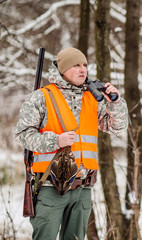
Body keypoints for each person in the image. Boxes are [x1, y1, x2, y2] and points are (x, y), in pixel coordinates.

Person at [15, 47, 128, 240]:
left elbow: (117, 128)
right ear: (63, 69)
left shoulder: (93, 99)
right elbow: (22, 135)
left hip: (83, 189)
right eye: (76, 65)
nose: (82, 69)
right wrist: (56, 140)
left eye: (84, 65)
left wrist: (114, 104)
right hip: (50, 188)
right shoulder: (41, 97)